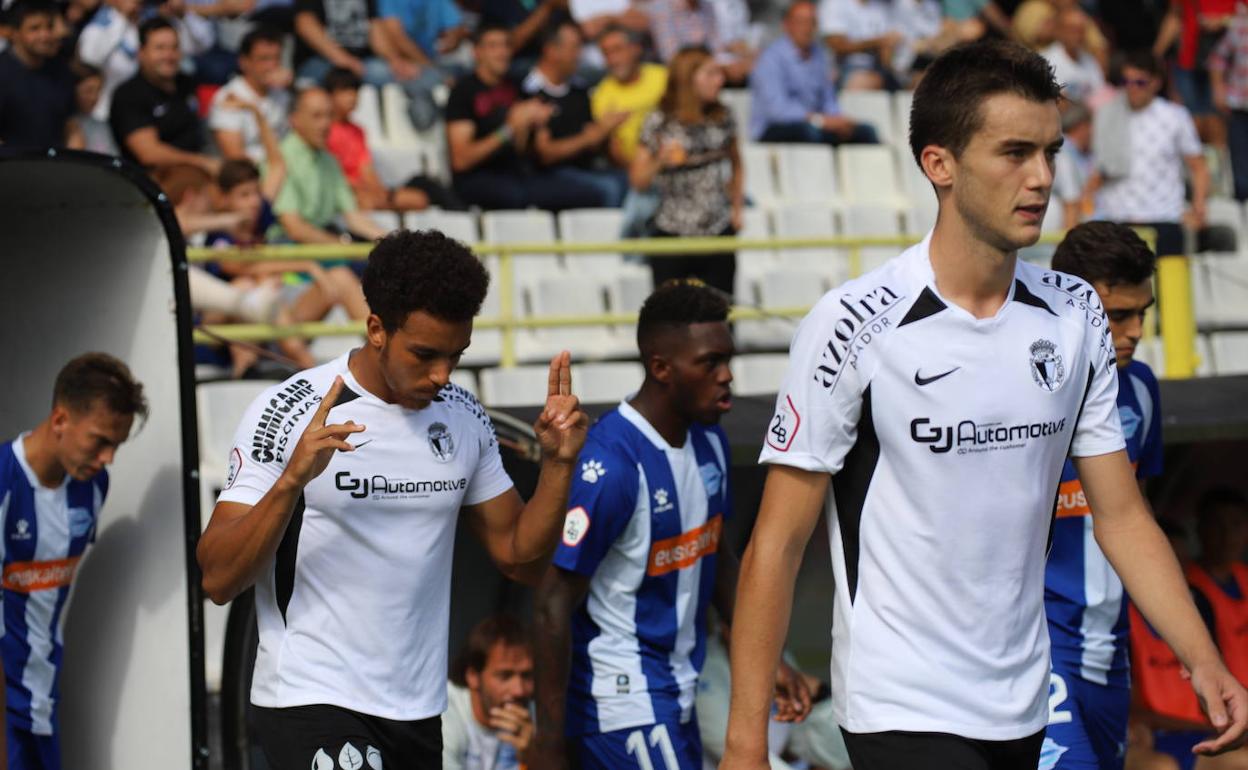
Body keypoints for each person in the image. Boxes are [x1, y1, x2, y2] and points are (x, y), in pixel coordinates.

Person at [719, 40, 1248, 770]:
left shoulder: (1075, 315)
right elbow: (775, 545)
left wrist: (1205, 661)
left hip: (1023, 700)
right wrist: (744, 744)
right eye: (1014, 153)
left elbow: (1122, 517)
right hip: (899, 700)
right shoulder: (853, 323)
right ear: (940, 164)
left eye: (1051, 153)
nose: (1041, 179)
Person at [196, 229, 590, 769]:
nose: (441, 375)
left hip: (417, 710)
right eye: (425, 354)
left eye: (456, 355)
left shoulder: (462, 415)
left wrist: (559, 466)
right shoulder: (291, 410)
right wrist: (291, 482)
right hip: (313, 697)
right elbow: (217, 578)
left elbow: (521, 560)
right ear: (376, 328)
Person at [531, 280, 809, 770]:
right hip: (618, 704)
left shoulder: (710, 443)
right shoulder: (612, 465)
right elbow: (552, 603)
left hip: (677, 692)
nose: (727, 376)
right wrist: (549, 743)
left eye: (729, 359)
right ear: (661, 368)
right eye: (710, 362)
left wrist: (769, 661)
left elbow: (718, 559)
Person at [1041, 221, 1165, 770]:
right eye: (1118, 315)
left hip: (1110, 655)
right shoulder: (1025, 391)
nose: (1135, 330)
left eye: (1142, 313)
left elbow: (1136, 514)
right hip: (1037, 647)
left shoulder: (1141, 388)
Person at [2, 353, 148, 770]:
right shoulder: (2, 483)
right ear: (61, 420)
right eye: (100, 441)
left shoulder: (93, 486)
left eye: (116, 446)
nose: (108, 458)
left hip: (43, 704)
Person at [445, 24, 610, 211]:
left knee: (589, 193)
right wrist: (508, 130)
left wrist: (532, 125)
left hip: (520, 174)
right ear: (477, 52)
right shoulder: (464, 91)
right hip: (478, 178)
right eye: (493, 46)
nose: (502, 52)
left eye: (506, 45)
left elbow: (526, 149)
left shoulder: (517, 87)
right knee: (519, 197)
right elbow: (461, 160)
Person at [630, 47, 742, 296]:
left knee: (720, 318)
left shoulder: (723, 117)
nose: (720, 80)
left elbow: (737, 162)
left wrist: (736, 208)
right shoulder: (659, 121)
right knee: (669, 322)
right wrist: (661, 160)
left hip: (717, 230)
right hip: (672, 232)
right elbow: (638, 180)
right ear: (688, 78)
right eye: (711, 73)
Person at [1089, 50, 1208, 259]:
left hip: (1163, 218)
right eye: (1127, 81)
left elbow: (1198, 165)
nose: (1132, 88)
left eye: (1140, 82)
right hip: (1118, 218)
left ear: (1156, 83)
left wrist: (1198, 206)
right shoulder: (1108, 114)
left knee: (1167, 289)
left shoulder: (1175, 116)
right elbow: (1101, 168)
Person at [522, 20, 630, 208]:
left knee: (632, 181)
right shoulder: (527, 91)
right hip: (547, 176)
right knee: (610, 188)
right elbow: (546, 154)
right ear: (551, 50)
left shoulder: (579, 91)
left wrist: (604, 133)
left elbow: (593, 138)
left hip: (587, 169)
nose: (579, 55)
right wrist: (591, 137)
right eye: (574, 48)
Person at [269, 86, 389, 244]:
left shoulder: (329, 160)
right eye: (317, 116)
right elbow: (294, 229)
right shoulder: (279, 160)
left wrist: (393, 242)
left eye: (329, 116)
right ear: (294, 119)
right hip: (286, 247)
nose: (326, 124)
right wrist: (345, 247)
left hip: (324, 241)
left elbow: (354, 217)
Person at [749, 0, 878, 146]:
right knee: (810, 133)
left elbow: (828, 99)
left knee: (866, 133)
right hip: (775, 128)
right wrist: (820, 120)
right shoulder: (770, 58)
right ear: (787, 25)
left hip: (815, 123)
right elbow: (777, 111)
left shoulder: (820, 56)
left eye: (812, 22)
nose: (807, 28)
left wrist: (839, 120)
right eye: (801, 22)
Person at [109, 17, 219, 176]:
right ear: (142, 53)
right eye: (160, 48)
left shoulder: (186, 83)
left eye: (174, 48)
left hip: (197, 169)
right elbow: (149, 154)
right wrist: (201, 162)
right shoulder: (128, 95)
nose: (169, 55)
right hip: (153, 182)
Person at [323, 67, 433, 212]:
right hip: (342, 191)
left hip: (366, 192)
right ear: (330, 95)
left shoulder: (358, 131)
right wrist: (359, 189)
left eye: (355, 91)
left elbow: (366, 168)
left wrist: (379, 192)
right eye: (345, 91)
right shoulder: (323, 130)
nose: (352, 97)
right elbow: (328, 173)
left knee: (419, 199)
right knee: (366, 203)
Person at [444, 615, 536, 770]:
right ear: (473, 676)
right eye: (505, 676)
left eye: (527, 675)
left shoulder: (533, 719)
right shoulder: (445, 713)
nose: (519, 690)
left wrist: (535, 760)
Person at [1154, 0, 1234, 146]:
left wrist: (1224, 20)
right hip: (1188, 61)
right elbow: (1175, 16)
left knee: (1217, 122)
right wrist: (1156, 54)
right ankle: (1195, 166)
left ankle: (1220, 167)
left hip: (1225, 67)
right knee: (1188, 122)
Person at [0, 0, 77, 148]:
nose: (45, 35)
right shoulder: (2, 73)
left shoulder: (61, 70)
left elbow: (70, 126)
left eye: (49, 27)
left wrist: (76, 161)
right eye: (34, 29)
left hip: (56, 164)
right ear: (15, 33)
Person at [209, 26, 292, 163]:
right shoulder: (227, 97)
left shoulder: (284, 94)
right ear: (244, 62)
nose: (272, 65)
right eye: (264, 59)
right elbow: (235, 158)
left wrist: (292, 87)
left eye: (276, 58)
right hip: (251, 175)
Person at [591, 25, 667, 169]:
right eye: (606, 53)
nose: (613, 60)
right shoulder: (602, 95)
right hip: (637, 171)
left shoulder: (663, 77)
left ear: (636, 49)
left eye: (617, 50)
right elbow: (615, 150)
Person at [648, 0, 751, 83]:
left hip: (708, 67)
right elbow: (671, 56)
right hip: (680, 76)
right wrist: (717, 66)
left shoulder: (707, 6)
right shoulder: (661, 7)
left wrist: (731, 62)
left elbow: (716, 46)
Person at [817, 0, 903, 90]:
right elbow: (837, 45)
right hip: (841, 70)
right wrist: (877, 42)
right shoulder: (834, 3)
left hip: (878, 69)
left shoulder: (880, 7)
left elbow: (888, 45)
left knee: (916, 83)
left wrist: (888, 48)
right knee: (865, 81)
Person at [1208, 7, 1248, 201]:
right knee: (1241, 177)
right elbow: (1217, 58)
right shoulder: (1240, 25)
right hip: (1240, 105)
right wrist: (1218, 88)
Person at [1042, 8, 1107, 104]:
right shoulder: (1047, 61)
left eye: (1081, 30)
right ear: (1059, 31)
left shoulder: (1089, 60)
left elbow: (1101, 91)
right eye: (1072, 30)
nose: (1078, 35)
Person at [1054, 102, 1094, 228]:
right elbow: (1071, 201)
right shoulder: (1064, 153)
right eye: (1090, 125)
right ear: (1081, 126)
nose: (1093, 132)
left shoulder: (1078, 152)